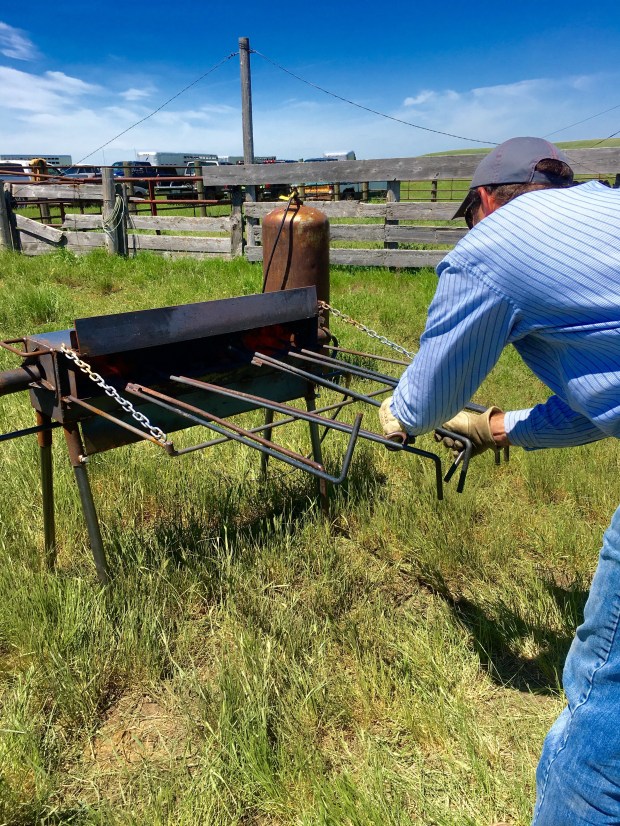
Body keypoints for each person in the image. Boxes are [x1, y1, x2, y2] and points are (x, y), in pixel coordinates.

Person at [379, 136, 620, 825]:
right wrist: (497, 427)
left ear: (486, 199)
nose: (471, 227)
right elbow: (602, 400)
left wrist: (402, 412)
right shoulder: (608, 210)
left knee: (602, 710)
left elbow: (426, 399)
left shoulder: (491, 246)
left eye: (469, 215)